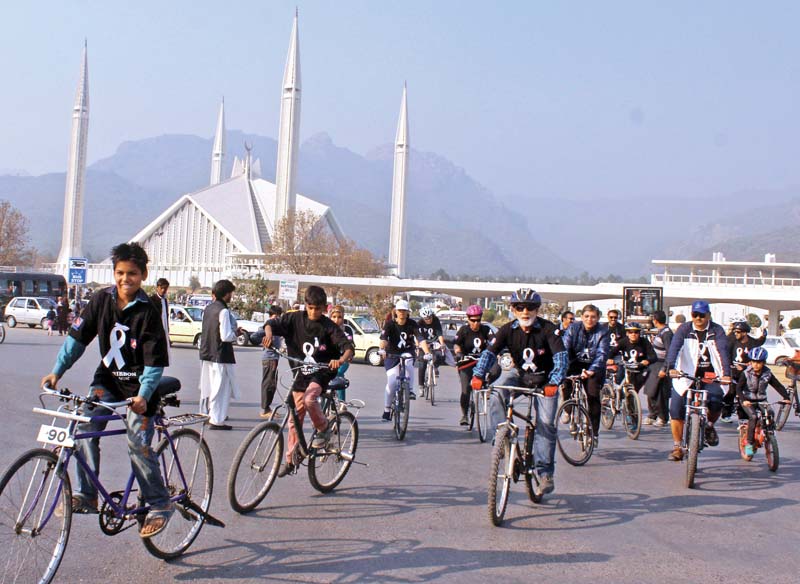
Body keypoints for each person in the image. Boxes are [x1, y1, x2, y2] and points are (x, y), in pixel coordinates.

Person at [40, 242, 172, 538]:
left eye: (133, 274)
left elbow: (154, 361)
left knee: (137, 443)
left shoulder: (149, 311)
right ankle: (87, 495)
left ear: (143, 275)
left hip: (140, 388)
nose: (126, 280)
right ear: (114, 273)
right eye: (121, 273)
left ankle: (160, 503)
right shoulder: (101, 300)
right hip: (108, 381)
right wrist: (56, 371)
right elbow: (77, 339)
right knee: (84, 427)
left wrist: (144, 395)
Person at [471, 289, 567, 497]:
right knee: (496, 393)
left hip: (545, 379)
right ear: (513, 309)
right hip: (520, 374)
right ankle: (503, 439)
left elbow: (561, 358)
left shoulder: (549, 330)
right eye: (520, 307)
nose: (525, 312)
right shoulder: (506, 330)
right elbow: (489, 354)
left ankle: (544, 473)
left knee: (546, 424)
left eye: (530, 307)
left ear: (537, 309)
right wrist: (478, 375)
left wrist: (554, 381)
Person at [262, 286, 353, 476]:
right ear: (305, 305)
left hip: (322, 371)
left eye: (318, 309)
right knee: (294, 420)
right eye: (310, 308)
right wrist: (269, 334)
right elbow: (272, 323)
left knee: (310, 399)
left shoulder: (329, 326)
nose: (313, 312)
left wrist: (340, 360)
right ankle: (291, 459)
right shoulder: (293, 318)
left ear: (324, 308)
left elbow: (347, 348)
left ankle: (324, 428)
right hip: (299, 373)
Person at [666, 300, 731, 461]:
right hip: (686, 375)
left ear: (708, 315)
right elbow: (674, 348)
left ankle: (709, 426)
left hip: (711, 376)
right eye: (695, 315)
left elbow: (722, 351)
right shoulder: (684, 329)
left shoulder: (717, 330)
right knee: (676, 408)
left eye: (702, 315)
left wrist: (726, 374)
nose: (698, 318)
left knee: (716, 401)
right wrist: (671, 368)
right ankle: (677, 446)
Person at [563, 304, 610, 446]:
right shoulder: (573, 328)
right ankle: (568, 410)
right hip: (574, 364)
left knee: (593, 397)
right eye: (587, 316)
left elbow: (602, 354)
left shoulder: (603, 331)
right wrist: (563, 366)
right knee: (565, 385)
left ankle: (593, 433)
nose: (590, 320)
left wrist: (592, 370)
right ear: (582, 317)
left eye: (593, 317)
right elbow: (564, 348)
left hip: (593, 368)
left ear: (598, 318)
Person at [198, 279, 243, 430]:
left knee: (211, 387)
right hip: (220, 355)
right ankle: (217, 420)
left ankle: (211, 415)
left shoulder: (209, 309)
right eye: (231, 293)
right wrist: (236, 334)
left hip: (207, 353)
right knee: (221, 389)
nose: (231, 296)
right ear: (226, 294)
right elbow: (225, 336)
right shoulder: (223, 311)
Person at [379, 299, 431, 419]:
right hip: (392, 354)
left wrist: (427, 352)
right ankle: (387, 410)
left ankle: (410, 390)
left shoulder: (412, 324)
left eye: (404, 310)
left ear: (408, 312)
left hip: (407, 351)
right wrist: (382, 349)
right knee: (392, 382)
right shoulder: (390, 324)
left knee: (409, 362)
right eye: (400, 310)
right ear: (396, 311)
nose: (402, 313)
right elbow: (383, 339)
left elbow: (420, 339)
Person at [736, 347, 791, 457]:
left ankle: (769, 435)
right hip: (748, 400)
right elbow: (738, 388)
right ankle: (750, 444)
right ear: (751, 362)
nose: (756, 365)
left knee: (770, 413)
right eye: (754, 362)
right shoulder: (746, 373)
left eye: (759, 362)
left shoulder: (768, 373)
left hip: (761, 400)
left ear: (764, 362)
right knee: (754, 417)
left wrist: (786, 397)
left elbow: (778, 386)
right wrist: (744, 400)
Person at [453, 304, 495, 426]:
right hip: (467, 362)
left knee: (496, 369)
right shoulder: (463, 330)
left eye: (478, 320)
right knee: (465, 390)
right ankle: (464, 415)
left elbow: (493, 341)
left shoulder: (486, 330)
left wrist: (493, 351)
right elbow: (456, 344)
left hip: (482, 361)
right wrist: (458, 352)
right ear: (468, 319)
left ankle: (487, 385)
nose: (476, 323)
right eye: (473, 320)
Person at [722, 320, 767, 422]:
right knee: (731, 392)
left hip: (746, 373)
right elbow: (726, 354)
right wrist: (731, 366)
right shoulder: (732, 341)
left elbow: (759, 343)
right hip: (733, 371)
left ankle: (742, 416)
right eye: (735, 332)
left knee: (744, 393)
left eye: (738, 332)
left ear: (745, 333)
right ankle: (726, 414)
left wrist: (764, 336)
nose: (736, 334)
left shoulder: (752, 343)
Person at [642, 310, 673, 426]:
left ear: (655, 320)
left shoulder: (667, 333)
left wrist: (665, 368)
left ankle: (662, 417)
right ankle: (652, 415)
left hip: (661, 365)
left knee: (660, 393)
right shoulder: (661, 332)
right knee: (651, 391)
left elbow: (670, 352)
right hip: (654, 365)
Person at [606, 322, 656, 393]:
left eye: (636, 332)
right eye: (630, 332)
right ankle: (616, 395)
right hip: (625, 366)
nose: (633, 334)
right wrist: (609, 359)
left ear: (639, 333)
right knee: (619, 379)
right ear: (627, 333)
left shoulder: (644, 342)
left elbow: (653, 356)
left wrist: (648, 361)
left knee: (636, 388)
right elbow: (612, 352)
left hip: (639, 368)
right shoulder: (623, 342)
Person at [260, 305, 284, 418]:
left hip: (274, 357)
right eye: (275, 316)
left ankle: (267, 407)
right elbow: (268, 330)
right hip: (270, 358)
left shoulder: (277, 325)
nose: (277, 318)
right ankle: (265, 409)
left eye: (279, 316)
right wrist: (269, 337)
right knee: (269, 383)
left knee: (272, 383)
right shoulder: (269, 323)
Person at [416, 306, 446, 388]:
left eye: (430, 318)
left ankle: (435, 367)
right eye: (426, 319)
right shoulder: (419, 323)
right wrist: (417, 346)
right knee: (422, 365)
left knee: (440, 355)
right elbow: (417, 336)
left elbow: (439, 334)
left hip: (434, 341)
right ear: (423, 318)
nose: (429, 320)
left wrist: (442, 344)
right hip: (424, 343)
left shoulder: (436, 320)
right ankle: (421, 385)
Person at [328, 305, 352, 405]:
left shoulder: (347, 330)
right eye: (334, 317)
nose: (336, 320)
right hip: (328, 359)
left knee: (338, 375)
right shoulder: (326, 328)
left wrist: (347, 357)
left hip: (343, 359)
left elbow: (350, 345)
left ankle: (342, 403)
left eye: (339, 317)